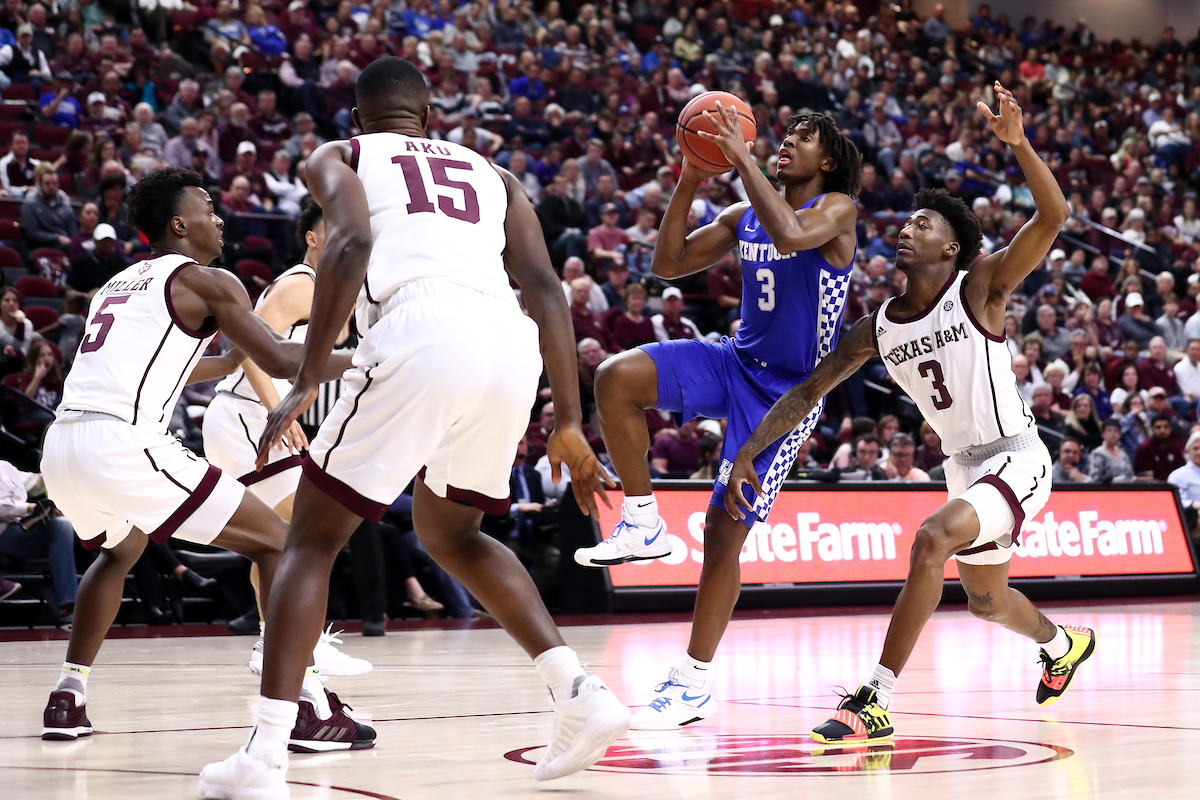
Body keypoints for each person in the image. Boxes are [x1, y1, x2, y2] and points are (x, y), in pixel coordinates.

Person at [200, 58, 626, 798]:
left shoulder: (343, 155)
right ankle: (579, 694)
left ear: (359, 118)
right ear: (429, 117)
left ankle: (263, 756)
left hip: (418, 323)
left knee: (309, 538)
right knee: (453, 532)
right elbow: (548, 290)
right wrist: (569, 418)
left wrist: (306, 377)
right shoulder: (496, 175)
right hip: (508, 341)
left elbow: (350, 245)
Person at [725, 85, 1094, 744]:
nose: (907, 227)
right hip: (965, 468)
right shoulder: (877, 328)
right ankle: (1062, 645)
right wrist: (750, 449)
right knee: (985, 602)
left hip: (1017, 456)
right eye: (907, 221)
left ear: (952, 250)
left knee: (929, 539)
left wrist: (1019, 145)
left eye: (924, 225)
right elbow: (809, 391)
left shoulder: (980, 289)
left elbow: (1055, 213)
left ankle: (875, 697)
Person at [38, 168, 365, 751]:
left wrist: (237, 355)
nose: (219, 218)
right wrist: (367, 360)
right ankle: (308, 707)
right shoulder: (210, 282)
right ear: (179, 223)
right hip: (123, 443)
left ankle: (68, 693)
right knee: (283, 544)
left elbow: (198, 368)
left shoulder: (120, 285)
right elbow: (287, 361)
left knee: (121, 552)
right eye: (208, 208)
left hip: (63, 445)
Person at [574, 106, 862, 730]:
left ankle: (692, 683)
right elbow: (667, 263)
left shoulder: (839, 212)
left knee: (723, 527)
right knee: (615, 378)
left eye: (802, 140)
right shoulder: (742, 217)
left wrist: (743, 160)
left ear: (829, 161)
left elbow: (790, 235)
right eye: (783, 138)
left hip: (787, 395)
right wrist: (691, 175)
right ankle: (643, 521)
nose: (786, 145)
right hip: (735, 361)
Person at [202, 197, 371, 678]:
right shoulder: (302, 284)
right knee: (305, 532)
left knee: (282, 537)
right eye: (331, 228)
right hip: (247, 412)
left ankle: (274, 641)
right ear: (313, 239)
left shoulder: (339, 293)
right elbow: (251, 350)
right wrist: (281, 405)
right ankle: (298, 642)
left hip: (259, 415)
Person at [0, 458, 77, 625]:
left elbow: (36, 482)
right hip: (3, 533)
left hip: (21, 530)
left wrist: (62, 472)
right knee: (39, 513)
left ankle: (68, 604)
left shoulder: (5, 466)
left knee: (62, 525)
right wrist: (29, 508)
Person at [1134, 413, 1186, 481]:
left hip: (1173, 486)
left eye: (1166, 427)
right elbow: (1147, 478)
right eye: (1158, 427)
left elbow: (1182, 472)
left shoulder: (1175, 448)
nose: (1162, 430)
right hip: (1153, 489)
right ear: (1152, 429)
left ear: (1170, 429)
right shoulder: (1144, 449)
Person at [1168, 432, 1200, 534]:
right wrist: (1194, 504)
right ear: (1188, 451)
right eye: (1195, 448)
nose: (1199, 452)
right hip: (1190, 521)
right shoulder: (1178, 475)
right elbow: (1176, 501)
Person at [1088, 418, 1134, 483]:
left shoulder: (1123, 454)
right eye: (1109, 430)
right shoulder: (1098, 453)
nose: (1113, 433)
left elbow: (1130, 475)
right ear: (1103, 434)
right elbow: (1096, 478)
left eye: (1116, 431)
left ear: (1119, 435)